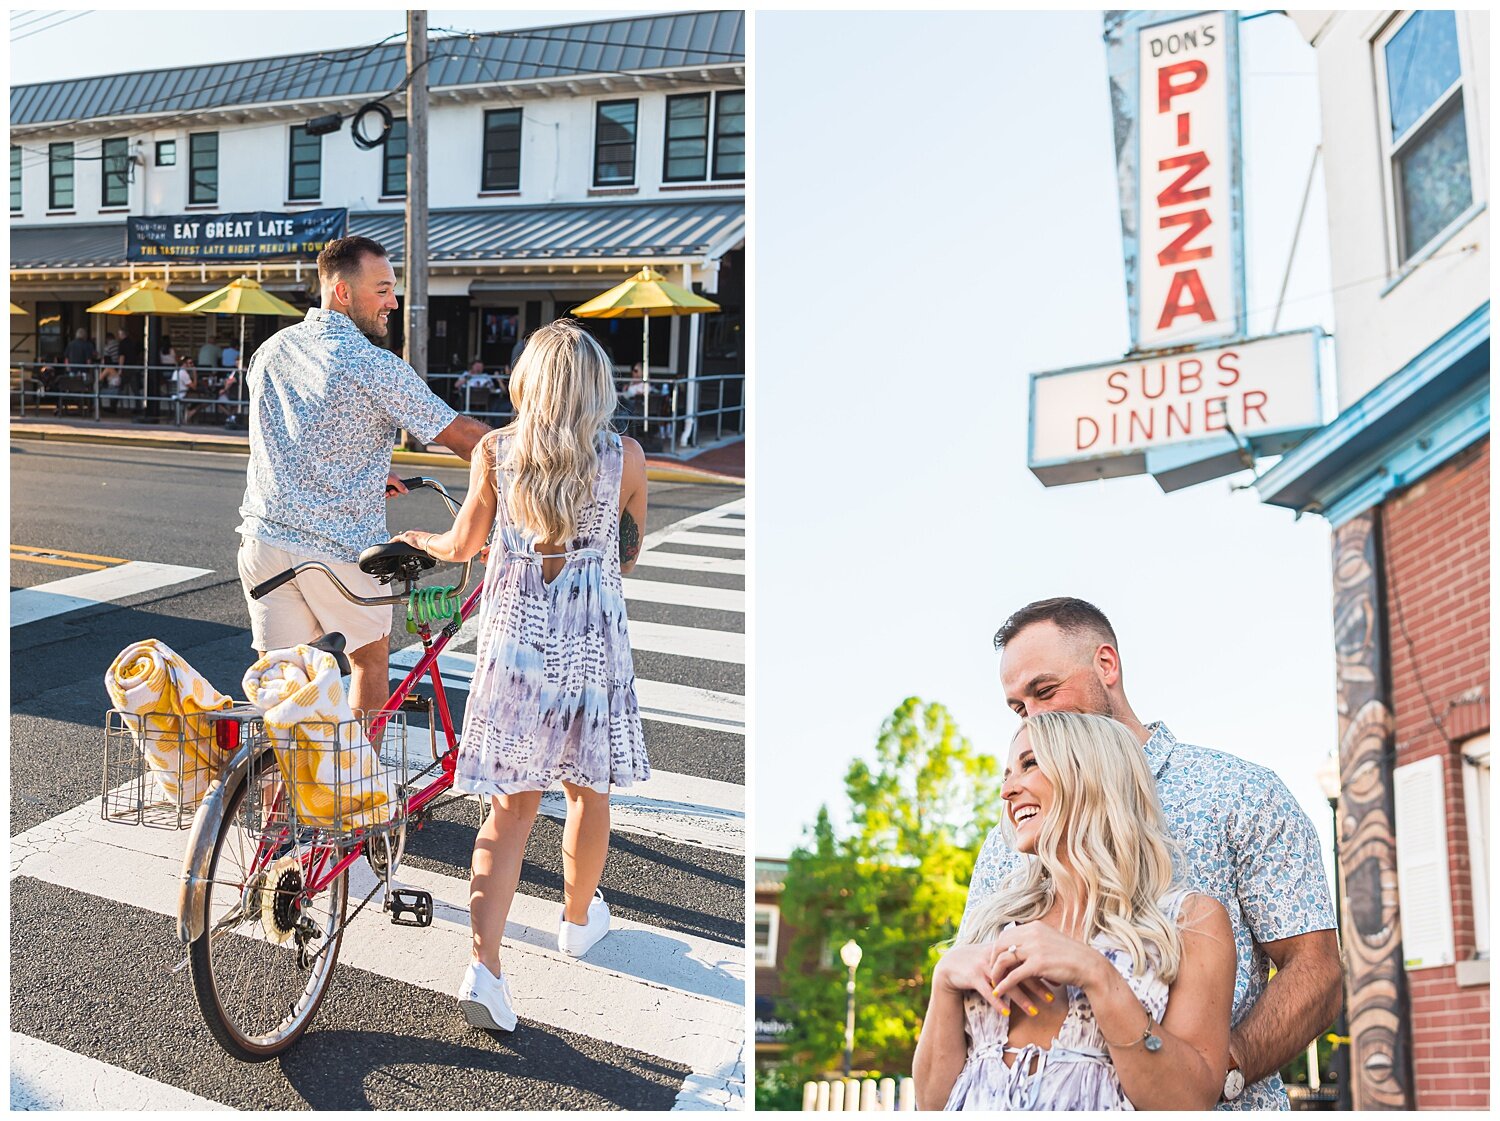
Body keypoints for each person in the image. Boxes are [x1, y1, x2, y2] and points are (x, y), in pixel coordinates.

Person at [964, 598, 1341, 1109]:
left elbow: (1316, 972)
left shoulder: (1238, 793)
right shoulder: (1007, 840)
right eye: (1018, 708)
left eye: (1045, 691)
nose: (1034, 717)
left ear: (1106, 665)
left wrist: (1216, 1073)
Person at [391, 319, 650, 1034]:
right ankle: (576, 918)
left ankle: (485, 966)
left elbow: (462, 543)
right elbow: (626, 556)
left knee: (509, 809)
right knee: (587, 789)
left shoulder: (497, 454)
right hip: (590, 639)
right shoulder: (624, 457)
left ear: (527, 383)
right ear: (595, 386)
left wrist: (421, 539)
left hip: (517, 640)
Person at [913, 711, 1236, 1110]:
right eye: (1007, 774)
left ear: (1092, 773)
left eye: (1029, 764)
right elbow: (931, 1105)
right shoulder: (992, 922)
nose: (1007, 790)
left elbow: (1189, 1103)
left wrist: (1097, 974)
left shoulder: (1190, 922)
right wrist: (944, 980)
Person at [235, 235, 489, 715]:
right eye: (383, 289)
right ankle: (358, 780)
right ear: (343, 293)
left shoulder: (271, 350)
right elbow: (468, 439)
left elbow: (294, 433)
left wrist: (368, 467)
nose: (393, 301)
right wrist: (547, 459)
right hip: (338, 551)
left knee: (286, 686)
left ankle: (277, 789)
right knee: (369, 659)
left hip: (264, 543)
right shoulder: (372, 365)